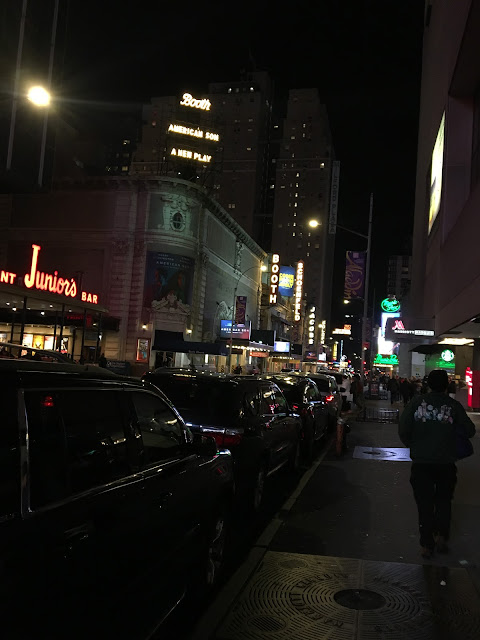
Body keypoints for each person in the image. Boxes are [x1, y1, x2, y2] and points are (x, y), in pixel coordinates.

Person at [398, 369, 475, 559]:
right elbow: (470, 430)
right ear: (446, 385)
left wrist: (413, 444)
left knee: (424, 503)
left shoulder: (416, 403)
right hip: (446, 462)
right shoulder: (453, 405)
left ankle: (426, 544)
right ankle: (442, 536)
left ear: (428, 384)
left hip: (422, 462)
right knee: (443, 500)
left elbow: (403, 428)